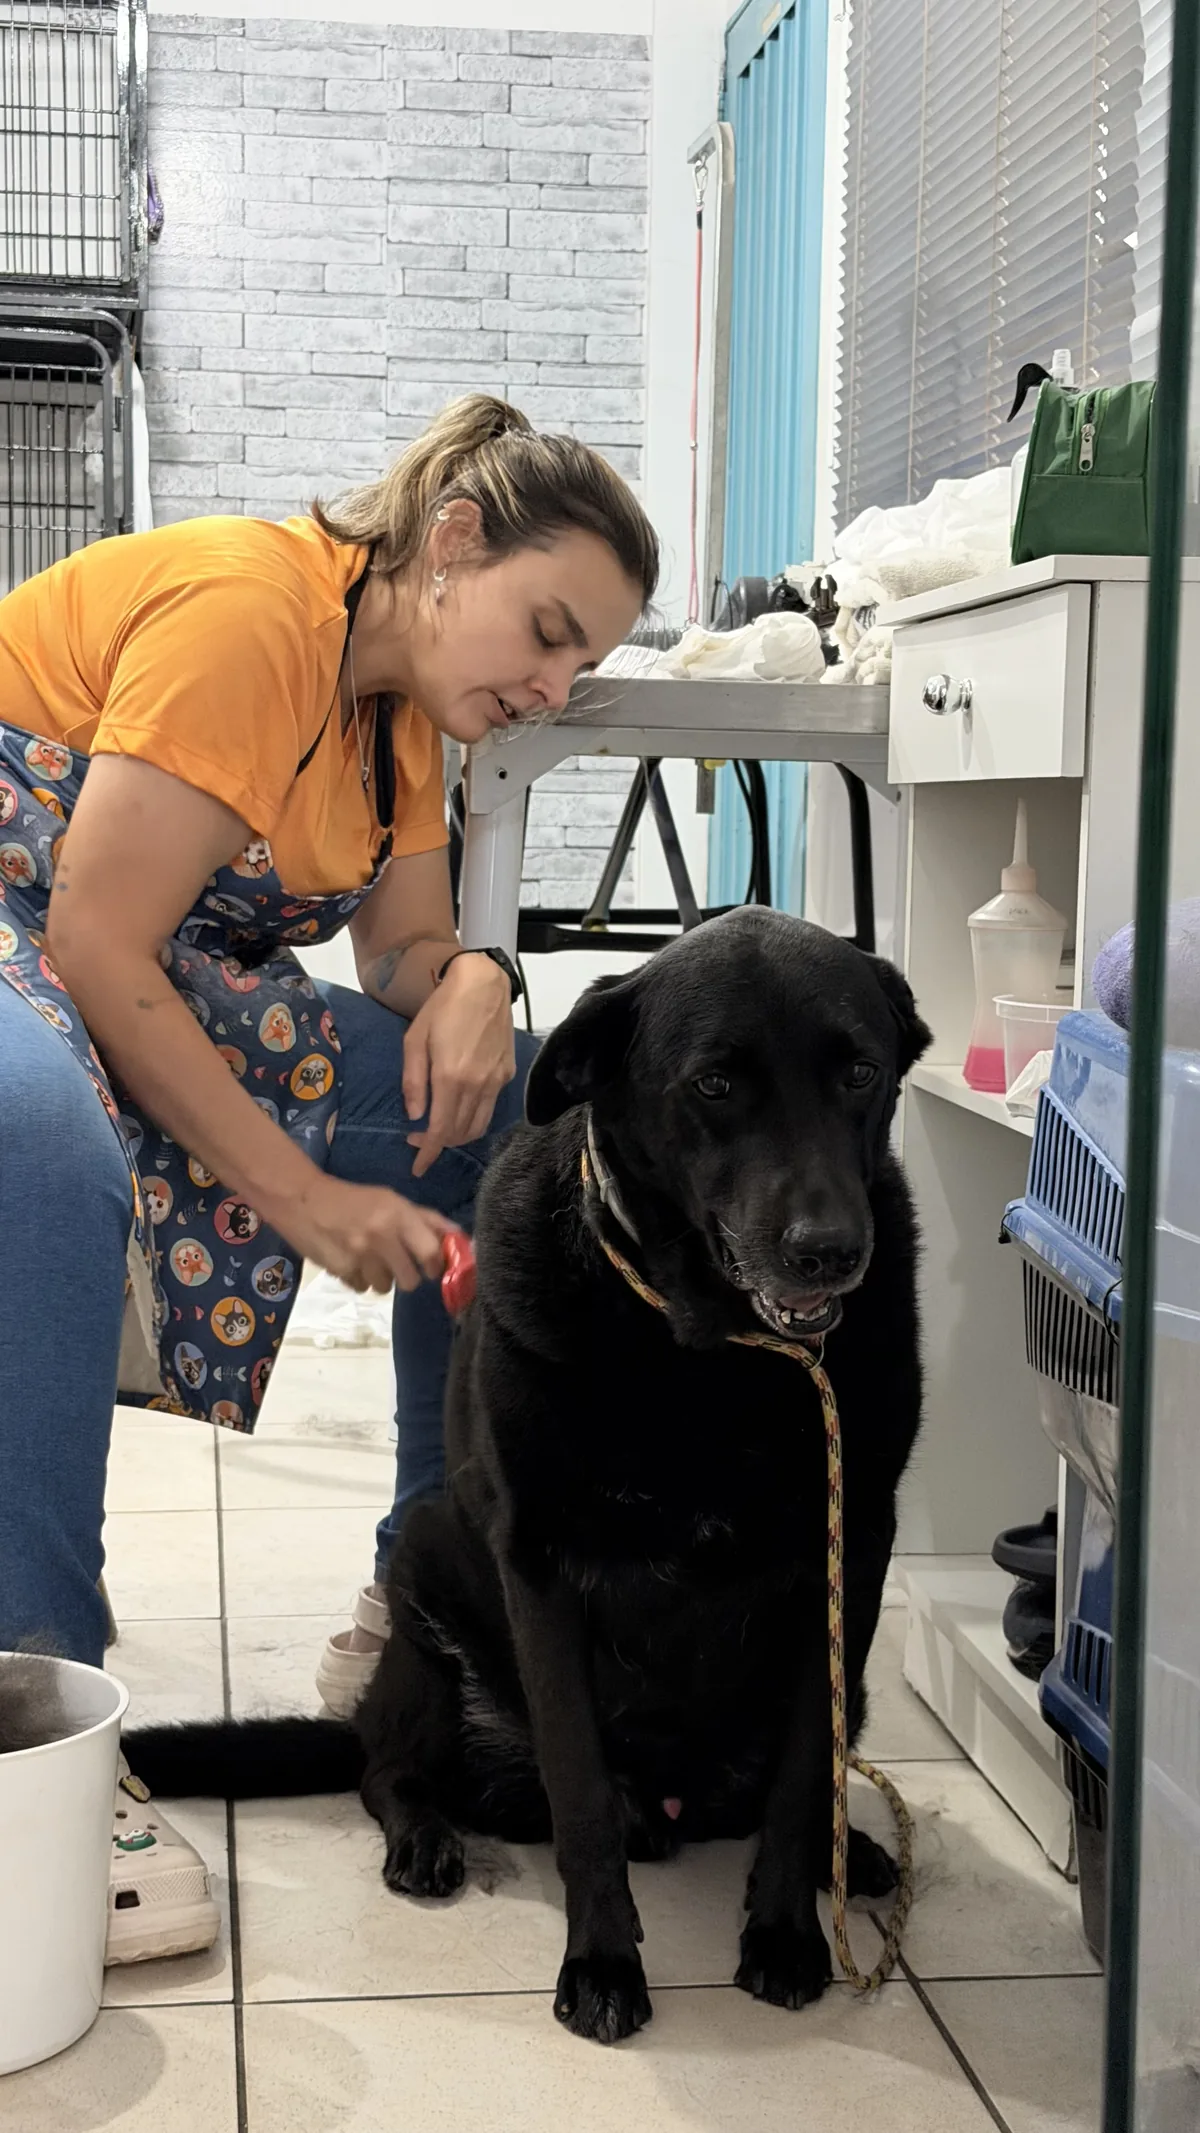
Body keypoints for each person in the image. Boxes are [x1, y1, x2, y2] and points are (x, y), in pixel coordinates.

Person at [0, 394, 657, 1965]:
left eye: (586, 669)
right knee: (43, 1155)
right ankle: (34, 1715)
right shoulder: (252, 613)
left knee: (491, 1127)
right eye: (547, 631)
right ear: (448, 546)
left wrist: (481, 978)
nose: (555, 690)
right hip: (34, 917)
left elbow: (404, 951)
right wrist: (301, 1199)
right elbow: (94, 937)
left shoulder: (408, 713)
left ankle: (426, 1603)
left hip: (142, 950)